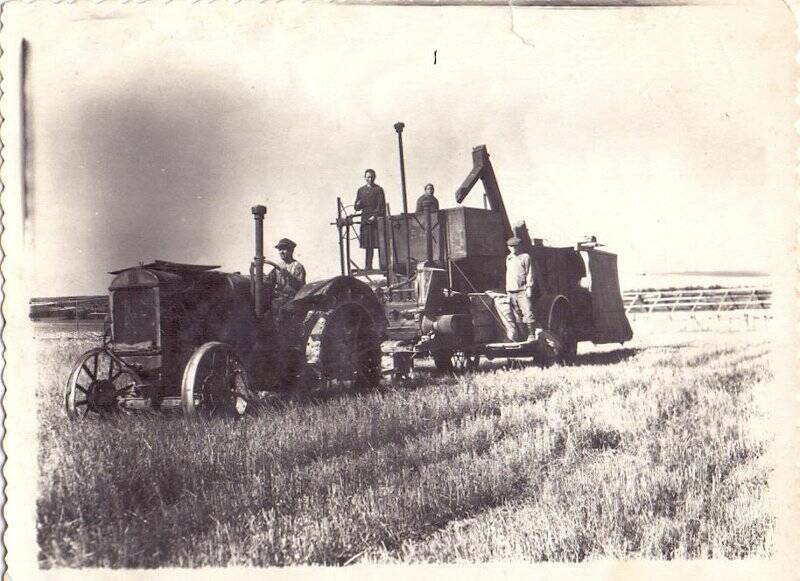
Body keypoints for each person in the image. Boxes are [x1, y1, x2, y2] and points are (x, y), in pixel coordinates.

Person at [499, 237, 539, 342]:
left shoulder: (525, 257)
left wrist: (529, 287)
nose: (513, 248)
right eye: (511, 246)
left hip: (522, 290)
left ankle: (531, 334)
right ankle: (522, 335)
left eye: (515, 246)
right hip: (511, 291)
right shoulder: (509, 258)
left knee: (527, 311)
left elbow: (530, 273)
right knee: (516, 314)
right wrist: (508, 290)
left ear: (519, 246)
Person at [354, 169, 386, 271]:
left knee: (379, 242)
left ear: (374, 177)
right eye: (368, 177)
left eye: (372, 177)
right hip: (365, 219)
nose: (370, 179)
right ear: (365, 178)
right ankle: (368, 266)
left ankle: (383, 265)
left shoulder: (379, 190)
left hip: (376, 220)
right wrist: (358, 205)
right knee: (368, 244)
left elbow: (381, 206)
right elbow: (356, 207)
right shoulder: (361, 190)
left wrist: (375, 216)